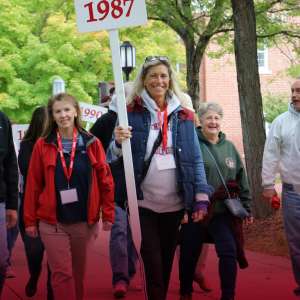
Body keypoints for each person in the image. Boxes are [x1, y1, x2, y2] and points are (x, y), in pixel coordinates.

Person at [107, 56, 212, 300]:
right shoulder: (129, 113)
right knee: (153, 265)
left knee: (165, 265)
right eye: (153, 75)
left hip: (175, 204)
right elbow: (111, 157)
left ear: (170, 80)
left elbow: (195, 158)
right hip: (142, 203)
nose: (159, 80)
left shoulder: (184, 116)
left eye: (163, 76)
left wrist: (201, 196)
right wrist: (118, 143)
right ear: (144, 80)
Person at [23, 93, 115, 300]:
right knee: (62, 273)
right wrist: (30, 221)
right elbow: (33, 185)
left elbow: (106, 181)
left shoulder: (92, 143)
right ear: (52, 116)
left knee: (78, 273)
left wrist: (108, 213)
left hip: (84, 221)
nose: (63, 115)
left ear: (75, 112)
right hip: (52, 221)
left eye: (67, 110)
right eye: (58, 111)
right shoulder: (42, 145)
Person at [179, 102, 253, 300]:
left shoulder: (229, 147)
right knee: (189, 253)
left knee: (228, 251)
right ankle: (185, 291)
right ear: (200, 120)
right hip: (196, 209)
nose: (213, 122)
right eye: (208, 118)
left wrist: (247, 206)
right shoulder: (191, 143)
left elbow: (241, 177)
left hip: (221, 211)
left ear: (221, 121)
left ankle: (228, 295)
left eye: (216, 118)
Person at [90, 82, 138, 298]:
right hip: (114, 189)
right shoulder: (107, 121)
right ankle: (120, 278)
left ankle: (129, 268)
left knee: (135, 235)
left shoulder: (142, 119)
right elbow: (91, 148)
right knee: (119, 232)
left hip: (140, 189)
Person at [262, 79, 300, 297]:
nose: (295, 95)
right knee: (296, 243)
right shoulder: (281, 122)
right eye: (293, 91)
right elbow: (270, 155)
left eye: (299, 91)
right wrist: (268, 183)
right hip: (293, 193)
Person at [18, 106, 54, 299]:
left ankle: (51, 288)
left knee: (56, 255)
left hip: (56, 208)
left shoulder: (61, 142)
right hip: (32, 207)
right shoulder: (27, 145)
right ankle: (34, 275)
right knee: (34, 251)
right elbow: (27, 171)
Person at [0, 110, 18, 298]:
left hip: (1, 199)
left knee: (2, 261)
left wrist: (12, 205)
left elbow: (10, 163)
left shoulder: (2, 119)